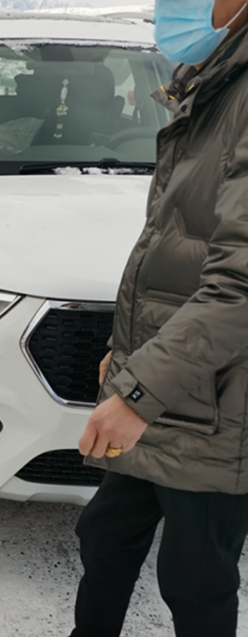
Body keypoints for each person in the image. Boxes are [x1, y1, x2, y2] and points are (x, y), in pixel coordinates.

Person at [71, 1, 248, 636]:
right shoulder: (214, 77)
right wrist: (126, 354)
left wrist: (138, 393)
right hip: (166, 380)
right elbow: (173, 250)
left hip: (217, 407)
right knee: (106, 538)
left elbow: (240, 287)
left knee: (195, 579)